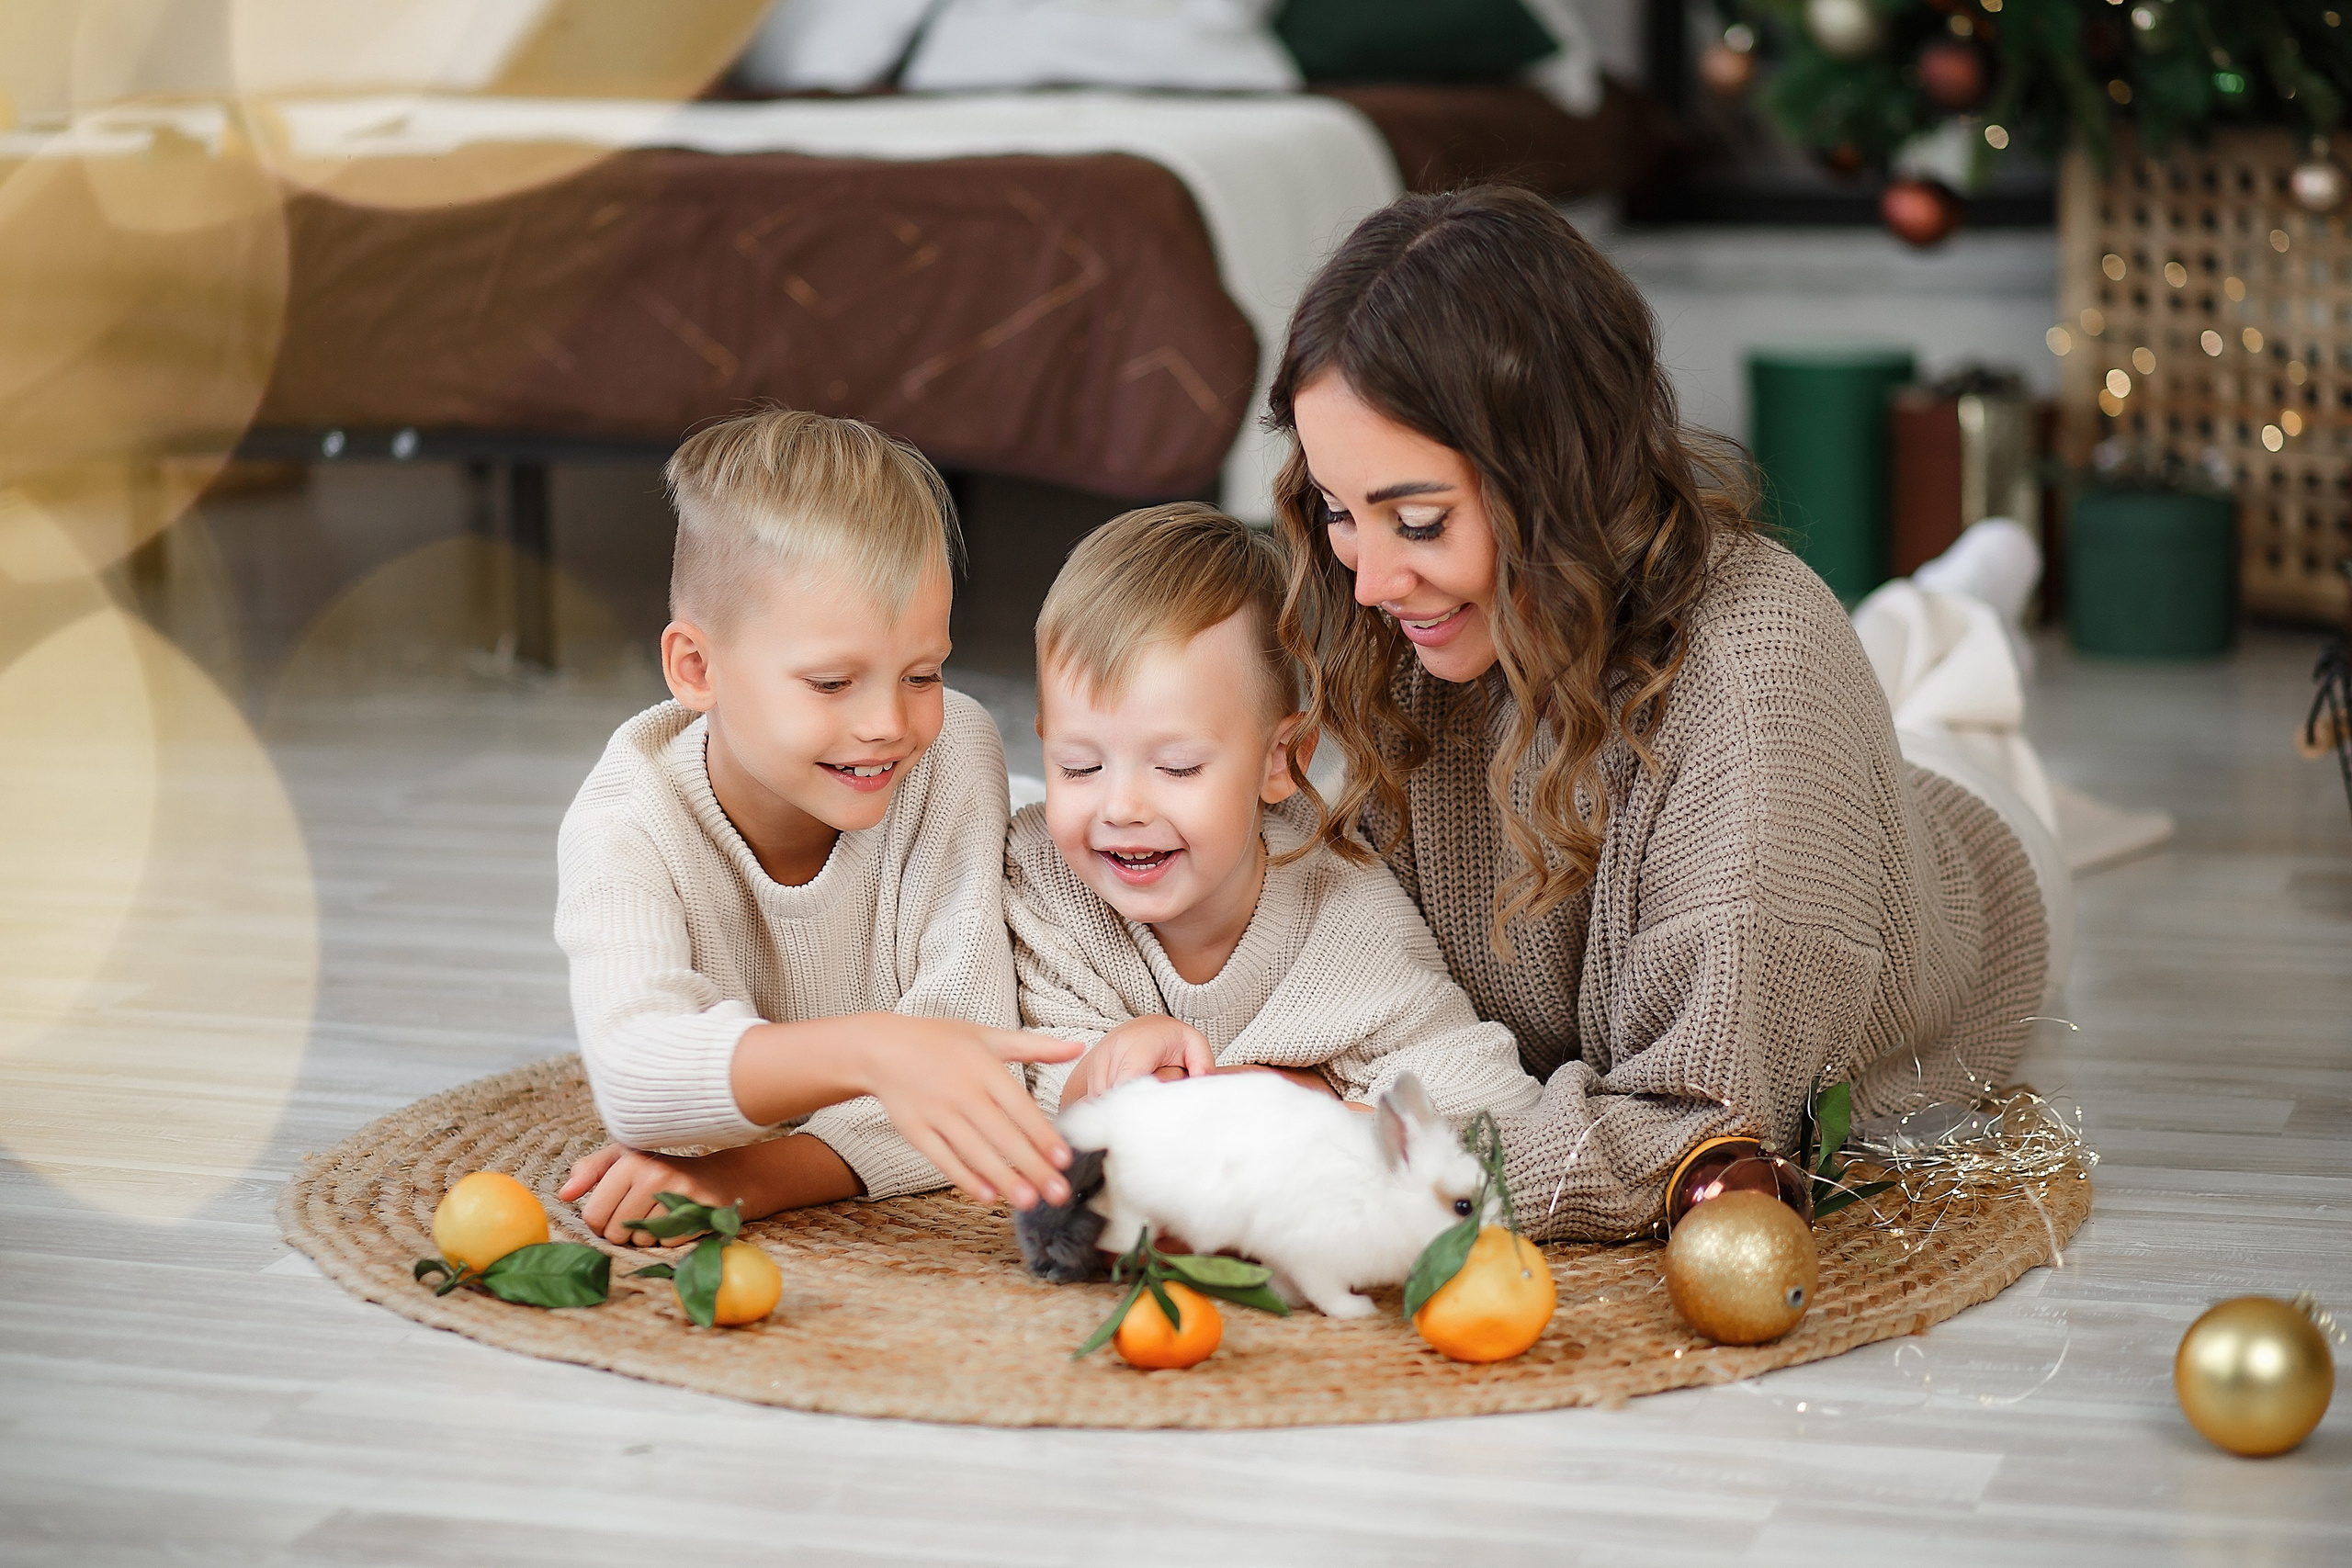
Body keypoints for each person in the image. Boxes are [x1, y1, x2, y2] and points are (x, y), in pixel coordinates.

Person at [1264, 186, 2057, 1241]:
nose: (1365, 581)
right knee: (1891, 664)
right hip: (1805, 760)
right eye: (1335, 511)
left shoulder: (1755, 685)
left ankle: (1964, 601)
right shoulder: (1428, 622)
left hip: (1968, 871)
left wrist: (1383, 1179)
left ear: (1554, 476)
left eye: (1415, 519)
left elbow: (1700, 1127)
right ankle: (1935, 604)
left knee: (1943, 706)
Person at [553, 408, 1079, 1244]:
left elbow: (977, 1089)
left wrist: (746, 1176)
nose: (888, 723)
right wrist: (879, 1051)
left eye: (923, 672)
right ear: (698, 668)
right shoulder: (627, 820)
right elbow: (634, 1075)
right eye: (833, 683)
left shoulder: (950, 754)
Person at [1006, 502, 1542, 1122]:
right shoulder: (1039, 875)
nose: (1121, 807)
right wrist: (1095, 1075)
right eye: (1079, 766)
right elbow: (1010, 1067)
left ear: (1280, 760)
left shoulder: (1342, 913)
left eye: (1177, 767)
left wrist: (1307, 1099)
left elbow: (1493, 1091)